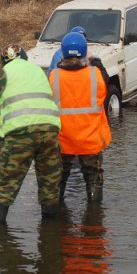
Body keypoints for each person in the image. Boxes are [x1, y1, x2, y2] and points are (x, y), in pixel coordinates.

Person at [0, 43, 62, 225]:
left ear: (4, 60)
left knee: (5, 183)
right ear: (24, 57)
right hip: (50, 129)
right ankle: (51, 231)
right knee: (50, 182)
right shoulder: (38, 71)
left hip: (20, 133)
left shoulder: (3, 73)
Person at [49, 32, 111, 203]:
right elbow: (106, 81)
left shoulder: (54, 76)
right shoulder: (96, 73)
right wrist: (95, 60)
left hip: (63, 139)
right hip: (90, 139)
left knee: (59, 178)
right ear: (85, 51)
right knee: (94, 179)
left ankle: (55, 218)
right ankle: (94, 217)